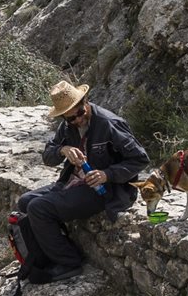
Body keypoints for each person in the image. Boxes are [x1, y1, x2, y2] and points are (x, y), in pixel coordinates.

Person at [15, 79, 150, 282]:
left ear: (85, 103)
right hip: (75, 182)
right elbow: (48, 156)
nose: (77, 120)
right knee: (25, 201)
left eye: (80, 113)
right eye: (70, 119)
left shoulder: (109, 124)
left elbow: (140, 160)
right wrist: (62, 149)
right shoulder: (67, 127)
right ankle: (46, 256)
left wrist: (107, 174)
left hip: (108, 190)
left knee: (39, 208)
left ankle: (68, 263)